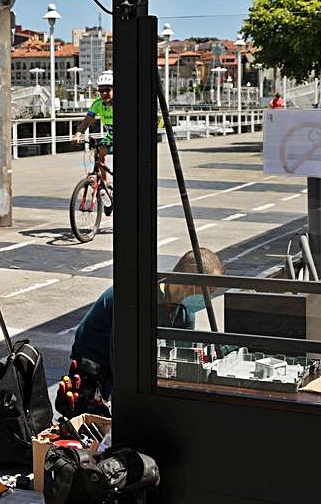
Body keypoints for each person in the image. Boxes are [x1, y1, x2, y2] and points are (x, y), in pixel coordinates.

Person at [58, 248, 225, 416]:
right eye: (208, 292)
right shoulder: (137, 296)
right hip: (95, 373)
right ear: (189, 284)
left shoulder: (185, 312)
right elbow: (122, 359)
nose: (209, 300)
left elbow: (182, 358)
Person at [72, 71, 114, 213]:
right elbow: (86, 121)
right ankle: (105, 187)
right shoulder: (97, 104)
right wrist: (78, 134)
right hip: (111, 135)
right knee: (99, 151)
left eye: (107, 89)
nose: (104, 93)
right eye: (101, 90)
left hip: (126, 135)